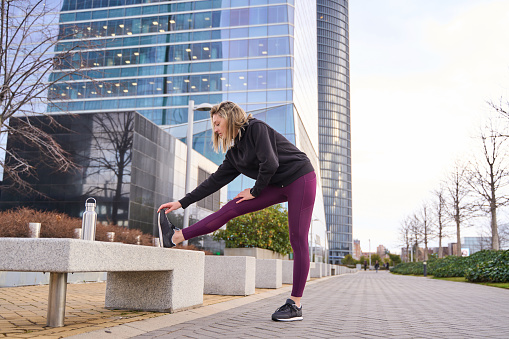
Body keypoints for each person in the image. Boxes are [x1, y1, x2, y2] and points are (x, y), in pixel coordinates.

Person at [157, 101, 316, 322]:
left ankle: (295, 303)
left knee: (297, 237)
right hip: (274, 183)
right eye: (213, 125)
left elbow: (269, 163)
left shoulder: (256, 129)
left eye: (217, 123)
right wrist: (181, 203)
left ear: (229, 118)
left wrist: (254, 190)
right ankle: (175, 237)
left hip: (300, 178)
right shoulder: (235, 155)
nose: (215, 129)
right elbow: (213, 182)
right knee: (231, 208)